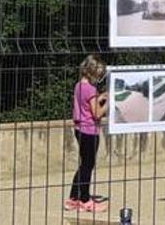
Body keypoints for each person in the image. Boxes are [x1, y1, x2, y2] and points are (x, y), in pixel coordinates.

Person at [65, 54, 108, 213]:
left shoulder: (79, 86)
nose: (100, 75)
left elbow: (86, 104)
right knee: (87, 166)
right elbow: (96, 113)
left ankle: (73, 198)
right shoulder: (91, 88)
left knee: (84, 164)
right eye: (99, 72)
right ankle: (85, 200)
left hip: (79, 129)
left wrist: (101, 97)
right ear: (92, 71)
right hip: (90, 130)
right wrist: (108, 103)